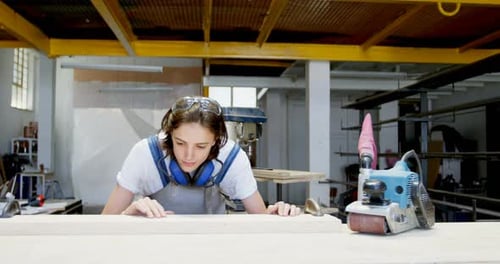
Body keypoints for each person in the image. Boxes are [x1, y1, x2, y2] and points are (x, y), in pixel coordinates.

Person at [102, 96, 301, 217]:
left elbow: (261, 222)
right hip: (157, 243)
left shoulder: (232, 159)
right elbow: (103, 224)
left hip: (213, 245)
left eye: (201, 146)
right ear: (169, 135)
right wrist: (128, 214)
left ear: (216, 140)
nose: (188, 155)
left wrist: (278, 213)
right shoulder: (145, 154)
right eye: (180, 143)